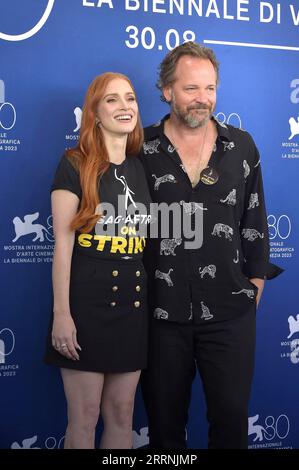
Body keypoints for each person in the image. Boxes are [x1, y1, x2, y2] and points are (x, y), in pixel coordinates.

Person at [139, 42, 283, 449]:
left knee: (232, 422)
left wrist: (254, 287)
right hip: (161, 315)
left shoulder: (242, 147)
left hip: (230, 313)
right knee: (165, 428)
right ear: (166, 91)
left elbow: (255, 223)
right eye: (190, 89)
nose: (203, 99)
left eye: (210, 88)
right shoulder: (140, 150)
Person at [44, 72, 151, 449]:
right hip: (85, 308)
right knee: (84, 419)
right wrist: (62, 314)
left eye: (131, 98)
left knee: (122, 416)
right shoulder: (74, 164)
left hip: (132, 310)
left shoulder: (142, 168)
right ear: (95, 111)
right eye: (112, 100)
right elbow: (62, 244)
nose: (125, 107)